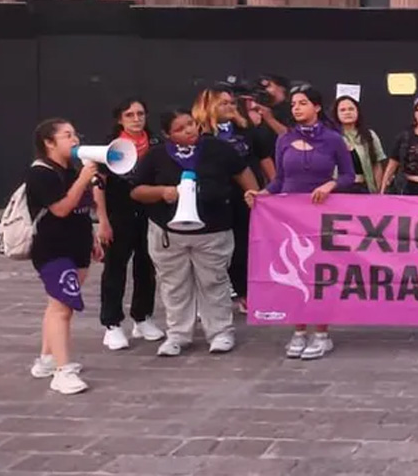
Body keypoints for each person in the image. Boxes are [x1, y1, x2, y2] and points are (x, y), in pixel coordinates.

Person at [130, 109, 258, 357]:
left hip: (213, 230)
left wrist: (254, 195)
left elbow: (242, 172)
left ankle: (220, 332)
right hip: (169, 233)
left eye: (191, 124)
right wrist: (162, 192)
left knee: (214, 281)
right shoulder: (156, 155)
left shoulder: (217, 149)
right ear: (167, 134)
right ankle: (178, 334)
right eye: (180, 129)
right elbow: (137, 190)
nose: (189, 130)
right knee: (174, 284)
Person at [246, 85, 356, 360]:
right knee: (295, 270)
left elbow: (348, 175)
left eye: (303, 103)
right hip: (290, 218)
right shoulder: (284, 139)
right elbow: (279, 179)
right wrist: (261, 194)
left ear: (316, 107)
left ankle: (321, 333)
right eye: (294, 104)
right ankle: (298, 329)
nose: (296, 108)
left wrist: (330, 185)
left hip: (320, 216)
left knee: (319, 274)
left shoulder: (333, 139)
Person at [25, 118, 108, 395]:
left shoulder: (71, 170)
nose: (75, 140)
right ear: (49, 143)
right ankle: (63, 371)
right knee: (63, 308)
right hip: (53, 249)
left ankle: (47, 359)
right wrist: (83, 179)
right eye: (67, 135)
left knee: (58, 304)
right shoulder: (40, 173)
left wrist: (92, 237)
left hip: (77, 245)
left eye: (75, 134)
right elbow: (61, 209)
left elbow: (82, 209)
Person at [193, 85, 275, 314]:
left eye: (232, 103)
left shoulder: (246, 130)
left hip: (244, 197)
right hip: (213, 198)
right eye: (223, 103)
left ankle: (245, 293)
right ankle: (206, 298)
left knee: (244, 247)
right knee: (211, 250)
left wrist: (273, 188)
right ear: (209, 106)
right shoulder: (197, 134)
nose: (230, 107)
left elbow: (264, 159)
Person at [99, 98, 165, 351]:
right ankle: (112, 323)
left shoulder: (156, 143)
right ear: (120, 119)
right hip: (119, 213)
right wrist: (103, 220)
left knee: (146, 266)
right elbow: (98, 184)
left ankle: (142, 316)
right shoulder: (110, 146)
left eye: (140, 113)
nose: (136, 119)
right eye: (130, 114)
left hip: (149, 212)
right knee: (115, 267)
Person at [333, 96, 386, 194]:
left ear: (357, 111)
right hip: (337, 190)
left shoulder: (369, 135)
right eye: (342, 110)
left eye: (351, 109)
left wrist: (378, 191)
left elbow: (377, 164)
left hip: (363, 188)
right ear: (336, 114)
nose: (347, 112)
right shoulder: (330, 137)